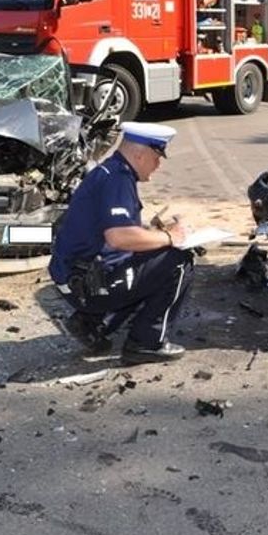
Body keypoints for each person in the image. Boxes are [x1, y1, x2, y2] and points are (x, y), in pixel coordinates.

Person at [49, 122, 193, 364]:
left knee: (149, 259)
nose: (158, 165)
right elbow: (119, 237)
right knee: (178, 262)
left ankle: (92, 323)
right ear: (139, 154)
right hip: (89, 285)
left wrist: (156, 235)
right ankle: (146, 343)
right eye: (157, 158)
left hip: (79, 276)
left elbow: (116, 233)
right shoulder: (117, 180)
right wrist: (171, 237)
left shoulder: (111, 172)